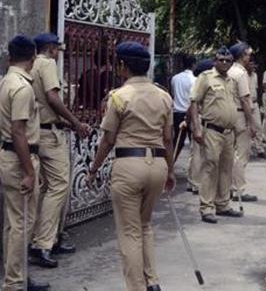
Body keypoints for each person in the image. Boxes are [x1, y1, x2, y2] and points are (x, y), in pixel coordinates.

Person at [86, 41, 175, 291]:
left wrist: (93, 168)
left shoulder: (118, 97)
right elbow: (167, 139)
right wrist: (169, 169)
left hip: (128, 166)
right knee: (145, 225)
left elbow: (107, 140)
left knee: (129, 232)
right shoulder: (163, 96)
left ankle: (136, 287)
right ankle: (152, 282)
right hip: (157, 164)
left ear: (123, 66)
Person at [28, 33, 90, 268]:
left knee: (46, 189)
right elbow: (53, 98)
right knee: (59, 187)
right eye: (57, 49)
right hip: (50, 134)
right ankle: (43, 243)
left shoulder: (31, 65)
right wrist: (75, 122)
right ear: (52, 48)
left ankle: (45, 237)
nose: (58, 53)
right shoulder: (47, 63)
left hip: (36, 132)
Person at [0, 35, 50, 291]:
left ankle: (16, 276)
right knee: (22, 224)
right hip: (20, 158)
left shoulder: (6, 81)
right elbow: (18, 131)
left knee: (14, 223)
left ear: (11, 57)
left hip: (11, 157)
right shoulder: (22, 87)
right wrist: (30, 172)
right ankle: (15, 283)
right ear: (32, 58)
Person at [189, 48, 244, 223]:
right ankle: (206, 207)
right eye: (221, 60)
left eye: (228, 61)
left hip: (228, 132)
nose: (225, 63)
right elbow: (194, 103)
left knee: (227, 167)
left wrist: (237, 127)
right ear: (215, 60)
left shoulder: (231, 80)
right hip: (212, 130)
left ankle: (223, 204)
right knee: (210, 166)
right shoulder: (206, 78)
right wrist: (197, 128)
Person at [227, 42, 258, 202]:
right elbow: (245, 99)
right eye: (247, 54)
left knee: (231, 154)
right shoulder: (241, 73)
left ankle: (230, 187)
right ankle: (238, 189)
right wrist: (252, 122)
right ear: (241, 55)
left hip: (230, 115)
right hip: (241, 115)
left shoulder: (229, 71)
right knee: (242, 154)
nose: (249, 57)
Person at [185, 59, 214, 195]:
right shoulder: (202, 84)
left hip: (197, 120)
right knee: (199, 154)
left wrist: (187, 120)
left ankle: (192, 181)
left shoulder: (198, 83)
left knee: (195, 153)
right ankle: (196, 183)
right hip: (201, 120)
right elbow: (193, 105)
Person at [170, 54, 196, 159]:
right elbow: (194, 98)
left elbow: (173, 94)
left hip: (177, 113)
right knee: (193, 141)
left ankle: (170, 163)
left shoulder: (175, 78)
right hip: (189, 112)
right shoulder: (194, 80)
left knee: (178, 140)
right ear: (194, 65)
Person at [246, 59, 266, 159]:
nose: (253, 66)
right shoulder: (242, 75)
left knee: (258, 126)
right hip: (245, 103)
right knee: (246, 127)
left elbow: (256, 89)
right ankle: (248, 149)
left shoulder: (255, 75)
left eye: (253, 64)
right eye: (250, 64)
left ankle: (260, 149)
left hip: (254, 103)